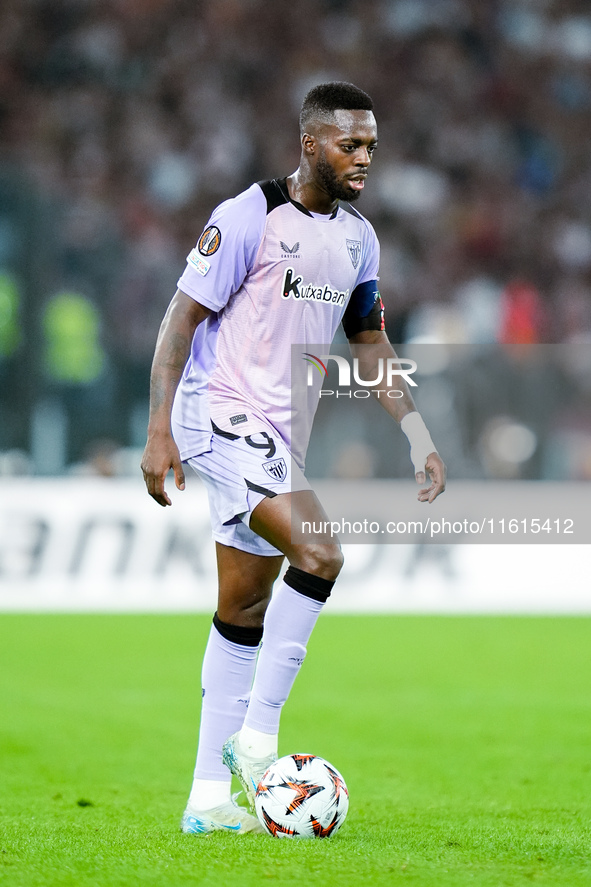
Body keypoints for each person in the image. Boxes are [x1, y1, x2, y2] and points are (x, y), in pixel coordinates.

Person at [141, 81, 446, 835]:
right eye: (350, 144)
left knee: (241, 608)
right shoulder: (249, 215)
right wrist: (158, 430)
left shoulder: (357, 239)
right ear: (310, 143)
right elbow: (181, 317)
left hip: (279, 437)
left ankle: (208, 799)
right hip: (219, 413)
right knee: (321, 552)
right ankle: (257, 739)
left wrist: (416, 433)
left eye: (371, 144)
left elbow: (369, 344)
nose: (364, 157)